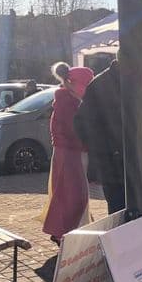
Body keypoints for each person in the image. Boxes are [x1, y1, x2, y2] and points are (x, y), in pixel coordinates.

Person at [42, 62, 95, 245]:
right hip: (68, 153)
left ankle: (68, 229)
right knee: (71, 195)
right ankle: (63, 231)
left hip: (71, 152)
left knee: (71, 194)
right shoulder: (67, 101)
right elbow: (74, 130)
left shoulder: (70, 99)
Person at [75, 59, 124, 214]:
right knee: (118, 209)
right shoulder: (100, 84)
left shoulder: (136, 81)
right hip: (111, 162)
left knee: (136, 210)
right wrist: (106, 150)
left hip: (134, 161)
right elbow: (82, 124)